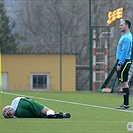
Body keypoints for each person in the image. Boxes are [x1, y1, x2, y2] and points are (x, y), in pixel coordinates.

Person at [115, 19, 132, 110]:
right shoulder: (124, 35)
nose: (119, 26)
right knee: (122, 82)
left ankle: (126, 104)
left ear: (126, 26)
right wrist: (122, 20)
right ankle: (125, 104)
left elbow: (124, 52)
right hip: (121, 61)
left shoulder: (127, 38)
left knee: (124, 82)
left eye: (121, 25)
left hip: (124, 62)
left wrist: (120, 63)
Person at [2, 97, 71, 118]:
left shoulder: (16, 115)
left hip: (19, 113)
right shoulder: (14, 103)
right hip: (22, 102)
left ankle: (61, 115)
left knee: (38, 115)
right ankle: (51, 113)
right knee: (45, 110)